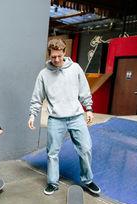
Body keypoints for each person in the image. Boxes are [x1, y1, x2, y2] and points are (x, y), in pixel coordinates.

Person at [28, 38, 101, 195]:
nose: (56, 60)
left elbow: (84, 90)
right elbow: (37, 97)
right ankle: (53, 183)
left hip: (76, 117)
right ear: (49, 55)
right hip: (56, 119)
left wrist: (88, 108)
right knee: (52, 152)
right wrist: (33, 114)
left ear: (64, 53)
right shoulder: (43, 74)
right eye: (53, 57)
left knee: (86, 148)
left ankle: (87, 179)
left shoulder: (75, 69)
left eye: (59, 56)